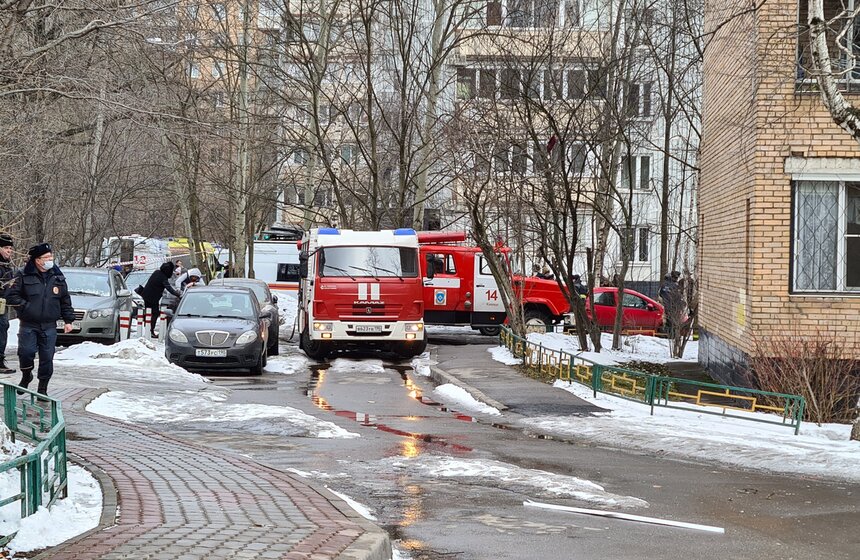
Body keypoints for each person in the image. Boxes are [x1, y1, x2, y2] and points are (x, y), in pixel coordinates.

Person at [5, 243, 75, 397]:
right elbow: (11, 296)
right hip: (29, 324)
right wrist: (26, 307)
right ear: (37, 260)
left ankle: (42, 388)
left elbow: (64, 299)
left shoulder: (57, 276)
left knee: (47, 358)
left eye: (51, 257)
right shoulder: (22, 275)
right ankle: (26, 376)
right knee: (26, 352)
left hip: (49, 325)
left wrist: (69, 320)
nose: (50, 260)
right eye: (46, 257)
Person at [141, 262, 180, 337]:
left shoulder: (156, 272)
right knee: (155, 313)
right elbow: (169, 288)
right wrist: (178, 294)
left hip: (146, 295)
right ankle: (151, 330)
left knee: (149, 312)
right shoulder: (163, 278)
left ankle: (147, 325)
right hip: (153, 298)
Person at [0, 234, 16, 374]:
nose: (9, 251)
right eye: (5, 248)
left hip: (2, 306)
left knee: (3, 329)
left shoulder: (7, 267)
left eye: (10, 248)